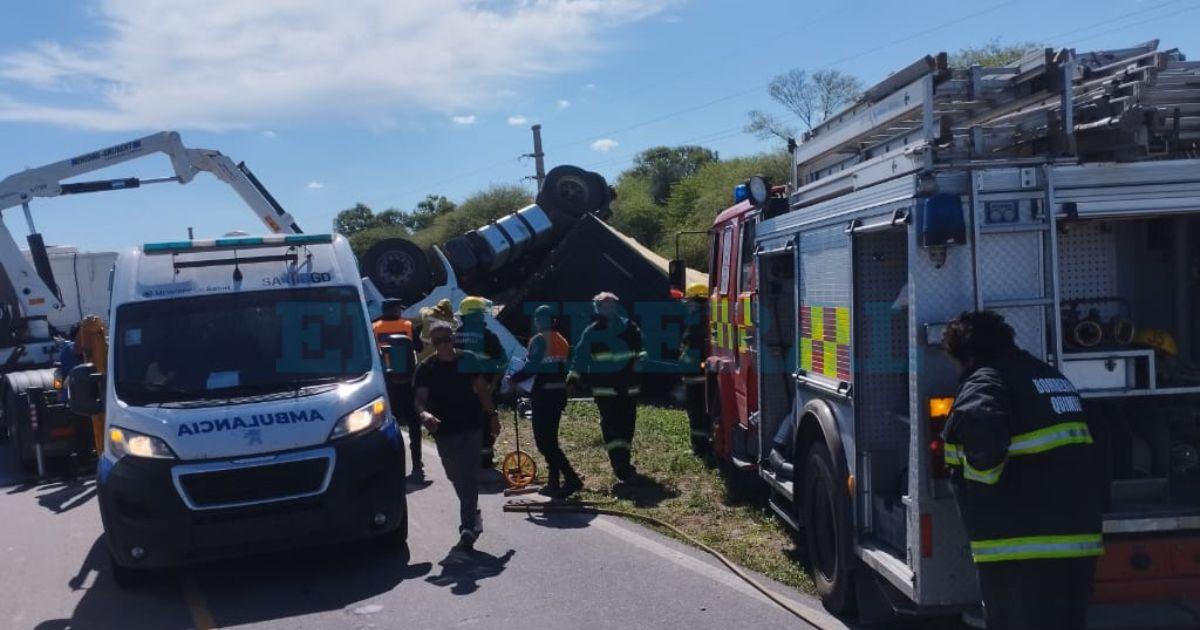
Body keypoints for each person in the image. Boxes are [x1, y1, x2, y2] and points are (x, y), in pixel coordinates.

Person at [941, 311, 1103, 630]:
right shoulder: (1050, 378)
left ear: (969, 356)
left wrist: (979, 487)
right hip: (1077, 541)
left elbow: (980, 425)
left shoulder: (986, 379)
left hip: (1020, 547)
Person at [415, 321, 501, 551]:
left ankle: (467, 527)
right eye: (437, 341)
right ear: (432, 344)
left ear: (453, 338)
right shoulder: (427, 368)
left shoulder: (467, 359)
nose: (443, 345)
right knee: (455, 475)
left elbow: (482, 390)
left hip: (471, 426)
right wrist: (424, 415)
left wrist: (493, 416)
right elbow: (420, 401)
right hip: (443, 431)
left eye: (447, 339)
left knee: (470, 475)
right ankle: (474, 512)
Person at [568, 292, 643, 483]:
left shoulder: (629, 327)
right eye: (604, 305)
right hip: (605, 390)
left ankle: (624, 462)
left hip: (628, 388)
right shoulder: (591, 332)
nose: (608, 308)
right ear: (598, 308)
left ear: (616, 306)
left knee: (627, 428)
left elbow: (641, 349)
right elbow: (580, 356)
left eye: (611, 304)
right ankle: (620, 466)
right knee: (611, 428)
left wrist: (640, 361)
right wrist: (573, 378)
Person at [512, 305, 583, 499]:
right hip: (558, 395)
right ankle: (553, 482)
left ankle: (571, 478)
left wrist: (513, 379)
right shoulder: (561, 340)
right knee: (550, 440)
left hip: (543, 396)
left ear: (538, 321)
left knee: (545, 444)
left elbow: (531, 367)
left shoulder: (538, 340)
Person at [454, 296, 507, 469]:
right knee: (486, 423)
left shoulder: (456, 336)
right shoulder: (489, 336)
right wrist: (493, 384)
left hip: (462, 390)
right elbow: (502, 362)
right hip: (486, 390)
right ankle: (485, 459)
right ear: (478, 316)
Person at [374, 298, 423, 480]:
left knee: (386, 425)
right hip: (409, 381)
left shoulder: (375, 327)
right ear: (396, 310)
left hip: (387, 383)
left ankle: (389, 465)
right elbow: (419, 347)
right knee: (414, 424)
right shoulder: (408, 325)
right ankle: (417, 464)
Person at [679, 282, 710, 456]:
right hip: (700, 377)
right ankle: (705, 445)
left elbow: (694, 353)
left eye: (689, 302)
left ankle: (700, 448)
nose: (687, 306)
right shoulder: (702, 322)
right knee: (702, 414)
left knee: (697, 415)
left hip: (696, 380)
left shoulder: (697, 326)